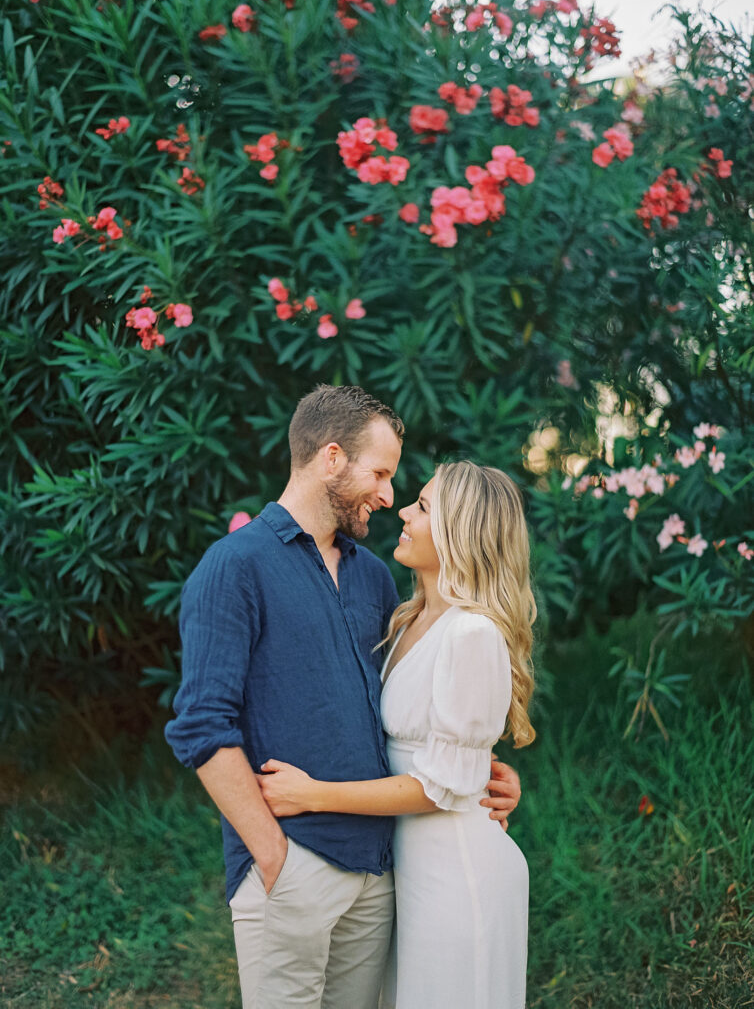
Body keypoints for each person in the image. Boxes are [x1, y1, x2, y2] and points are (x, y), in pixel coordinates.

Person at [165, 386, 521, 1009]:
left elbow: (414, 713)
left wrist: (487, 773)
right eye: (380, 474)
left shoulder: (374, 577)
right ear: (332, 459)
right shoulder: (235, 566)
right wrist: (272, 856)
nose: (388, 496)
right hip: (292, 868)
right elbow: (201, 727)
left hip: (382, 872)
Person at [259, 461, 536, 1009]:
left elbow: (438, 786)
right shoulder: (409, 620)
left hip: (455, 876)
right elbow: (436, 754)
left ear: (462, 532)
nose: (404, 511)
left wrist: (312, 795)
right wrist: (481, 769)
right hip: (405, 869)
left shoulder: (473, 632)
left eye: (425, 506)